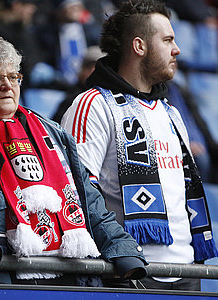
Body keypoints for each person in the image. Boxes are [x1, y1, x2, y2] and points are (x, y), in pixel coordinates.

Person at [0, 36, 147, 285]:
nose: (8, 86)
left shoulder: (51, 133)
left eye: (14, 77)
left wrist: (121, 247)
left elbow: (90, 205)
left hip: (69, 277)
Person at [61, 0, 218, 290]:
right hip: (129, 274)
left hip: (187, 273)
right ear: (139, 46)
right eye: (168, 40)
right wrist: (121, 256)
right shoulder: (92, 105)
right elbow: (77, 189)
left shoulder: (170, 110)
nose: (177, 49)